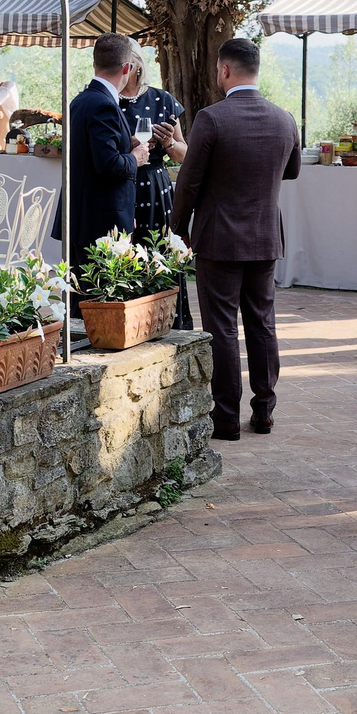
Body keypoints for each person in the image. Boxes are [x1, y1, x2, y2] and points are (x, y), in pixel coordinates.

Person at [171, 38, 300, 441]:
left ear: (224, 70)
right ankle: (264, 410)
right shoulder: (285, 119)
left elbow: (189, 183)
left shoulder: (212, 118)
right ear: (255, 69)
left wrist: (177, 229)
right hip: (264, 236)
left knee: (222, 327)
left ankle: (226, 417)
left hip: (218, 239)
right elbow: (292, 171)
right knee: (262, 324)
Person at [58, 33, 151, 281]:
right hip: (99, 225)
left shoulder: (80, 101)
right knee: (99, 307)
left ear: (94, 64)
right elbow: (109, 164)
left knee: (80, 301)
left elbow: (91, 154)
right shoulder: (103, 105)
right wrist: (136, 157)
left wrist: (124, 142)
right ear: (127, 68)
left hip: (82, 218)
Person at [125, 59, 193, 330]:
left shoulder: (162, 99)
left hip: (154, 184)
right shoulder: (107, 100)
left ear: (137, 66)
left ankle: (165, 321)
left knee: (159, 252)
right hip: (123, 179)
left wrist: (168, 142)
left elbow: (184, 154)